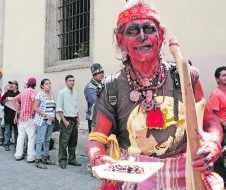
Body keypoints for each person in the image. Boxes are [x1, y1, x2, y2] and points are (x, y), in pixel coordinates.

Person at [87, 1, 223, 189]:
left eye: (149, 29)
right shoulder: (112, 86)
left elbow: (211, 123)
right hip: (134, 178)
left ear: (161, 36)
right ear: (120, 40)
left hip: (187, 176)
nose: (142, 36)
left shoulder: (185, 75)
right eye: (133, 31)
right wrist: (97, 157)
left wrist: (212, 144)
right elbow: (98, 137)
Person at [57, 75, 81, 169]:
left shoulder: (75, 92)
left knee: (73, 142)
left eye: (73, 80)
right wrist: (64, 120)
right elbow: (59, 108)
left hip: (74, 119)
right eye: (70, 80)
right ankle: (62, 160)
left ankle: (72, 160)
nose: (72, 82)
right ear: (66, 82)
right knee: (64, 142)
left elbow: (76, 106)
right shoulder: (62, 93)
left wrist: (78, 118)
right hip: (66, 120)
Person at [11, 77, 37, 163]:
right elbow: (33, 100)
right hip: (29, 117)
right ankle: (30, 157)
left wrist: (17, 110)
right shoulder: (33, 91)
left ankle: (18, 154)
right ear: (34, 84)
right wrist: (33, 111)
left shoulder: (23, 91)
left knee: (21, 137)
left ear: (28, 84)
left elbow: (14, 99)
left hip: (21, 118)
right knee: (31, 137)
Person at [209, 66, 226, 186]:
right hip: (223, 130)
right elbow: (211, 115)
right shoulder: (216, 94)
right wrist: (224, 123)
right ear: (217, 79)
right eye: (223, 75)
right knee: (221, 159)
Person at [34, 79, 56, 169]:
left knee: (47, 139)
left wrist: (52, 116)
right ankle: (38, 159)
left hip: (50, 120)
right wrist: (45, 115)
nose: (49, 85)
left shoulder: (52, 94)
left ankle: (46, 157)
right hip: (42, 120)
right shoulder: (40, 94)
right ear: (42, 86)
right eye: (46, 84)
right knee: (40, 140)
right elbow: (35, 107)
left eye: (49, 83)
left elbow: (54, 107)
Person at [84, 63, 105, 133]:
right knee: (95, 140)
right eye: (99, 72)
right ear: (94, 74)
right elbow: (96, 102)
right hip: (94, 118)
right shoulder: (89, 87)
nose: (101, 74)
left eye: (102, 72)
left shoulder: (103, 84)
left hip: (104, 116)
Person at [1, 80, 20, 151]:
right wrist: (5, 100)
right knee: (7, 131)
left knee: (16, 131)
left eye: (13, 84)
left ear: (17, 86)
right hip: (8, 115)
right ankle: (6, 144)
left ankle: (17, 145)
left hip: (16, 116)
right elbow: (2, 103)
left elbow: (21, 104)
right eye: (10, 84)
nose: (11, 85)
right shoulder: (7, 93)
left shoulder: (19, 94)